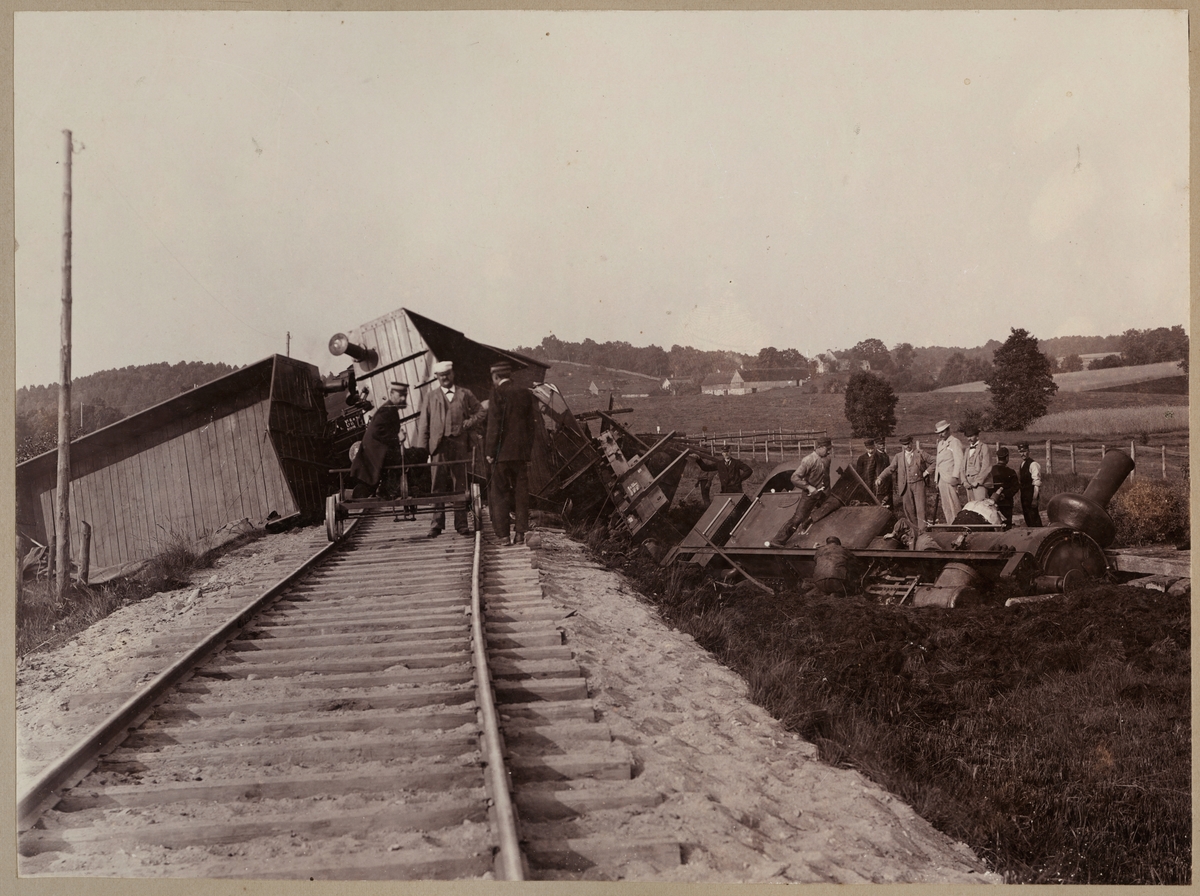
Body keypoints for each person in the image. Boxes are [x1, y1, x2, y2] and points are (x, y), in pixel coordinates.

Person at [417, 360, 485, 537]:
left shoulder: (465, 394)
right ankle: (436, 524)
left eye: (447, 374)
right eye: (441, 376)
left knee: (460, 485)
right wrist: (422, 450)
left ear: (452, 375)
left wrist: (469, 422)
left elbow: (481, 412)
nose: (445, 378)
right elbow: (424, 424)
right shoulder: (431, 397)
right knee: (437, 485)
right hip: (438, 447)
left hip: (459, 445)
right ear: (437, 377)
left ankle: (461, 524)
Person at [485, 361, 535, 545]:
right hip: (520, 454)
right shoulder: (524, 393)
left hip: (501, 455)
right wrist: (526, 451)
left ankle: (504, 536)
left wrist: (490, 451)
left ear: (496, 376)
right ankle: (521, 533)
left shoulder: (496, 393)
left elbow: (494, 426)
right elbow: (531, 426)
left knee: (499, 493)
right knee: (521, 493)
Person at [348, 382, 416, 500]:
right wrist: (397, 437)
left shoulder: (390, 409)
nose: (403, 399)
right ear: (392, 395)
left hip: (379, 451)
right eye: (400, 396)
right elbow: (377, 432)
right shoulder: (387, 410)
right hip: (375, 453)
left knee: (410, 455)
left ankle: (391, 489)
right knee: (414, 455)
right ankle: (389, 490)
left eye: (404, 396)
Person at [768, 437, 833, 547]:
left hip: (824, 494)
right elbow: (795, 478)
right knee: (798, 517)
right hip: (810, 495)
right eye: (827, 448)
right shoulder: (808, 460)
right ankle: (778, 541)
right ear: (819, 447)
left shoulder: (827, 459)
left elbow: (825, 477)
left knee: (830, 514)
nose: (829, 451)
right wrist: (808, 487)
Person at [878, 434, 929, 534]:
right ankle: (914, 531)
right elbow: (890, 468)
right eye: (905, 445)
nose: (907, 446)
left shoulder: (920, 453)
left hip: (918, 484)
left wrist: (926, 472)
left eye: (908, 444)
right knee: (909, 510)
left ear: (912, 443)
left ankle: (923, 532)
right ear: (902, 445)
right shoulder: (898, 456)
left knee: (921, 509)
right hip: (905, 486)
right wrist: (880, 477)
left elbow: (934, 461)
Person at [932, 420, 964, 524]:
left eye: (943, 432)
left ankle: (958, 525)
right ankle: (951, 525)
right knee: (945, 505)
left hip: (951, 479)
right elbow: (938, 463)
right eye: (939, 433)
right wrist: (936, 479)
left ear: (948, 430)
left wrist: (955, 477)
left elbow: (959, 461)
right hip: (942, 479)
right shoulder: (940, 444)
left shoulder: (955, 442)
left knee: (954, 504)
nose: (941, 435)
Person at [986, 446, 1020, 527]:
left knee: (995, 524)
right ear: (1007, 458)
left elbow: (988, 486)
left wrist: (993, 495)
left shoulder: (991, 470)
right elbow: (1015, 487)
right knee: (1007, 525)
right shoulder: (1011, 472)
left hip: (993, 502)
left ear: (997, 458)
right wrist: (1005, 495)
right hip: (1007, 503)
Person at [854, 437, 889, 505]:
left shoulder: (879, 456)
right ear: (865, 448)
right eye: (868, 449)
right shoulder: (861, 458)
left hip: (875, 481)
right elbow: (859, 472)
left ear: (874, 447)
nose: (870, 450)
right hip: (866, 481)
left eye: (872, 448)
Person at [961, 425, 992, 502]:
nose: (969, 439)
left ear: (977, 436)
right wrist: (964, 481)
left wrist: (978, 481)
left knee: (980, 506)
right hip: (968, 483)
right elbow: (962, 467)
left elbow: (986, 466)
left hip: (979, 483)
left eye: (971, 436)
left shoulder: (984, 447)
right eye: (967, 436)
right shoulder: (967, 450)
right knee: (971, 507)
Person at [1016, 441, 1043, 527]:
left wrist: (1034, 498)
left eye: (1024, 451)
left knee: (1034, 518)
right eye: (1020, 452)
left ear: (1028, 451)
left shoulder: (1033, 464)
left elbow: (1036, 483)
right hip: (1024, 496)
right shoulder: (1022, 464)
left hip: (1031, 496)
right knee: (1027, 518)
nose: (1022, 454)